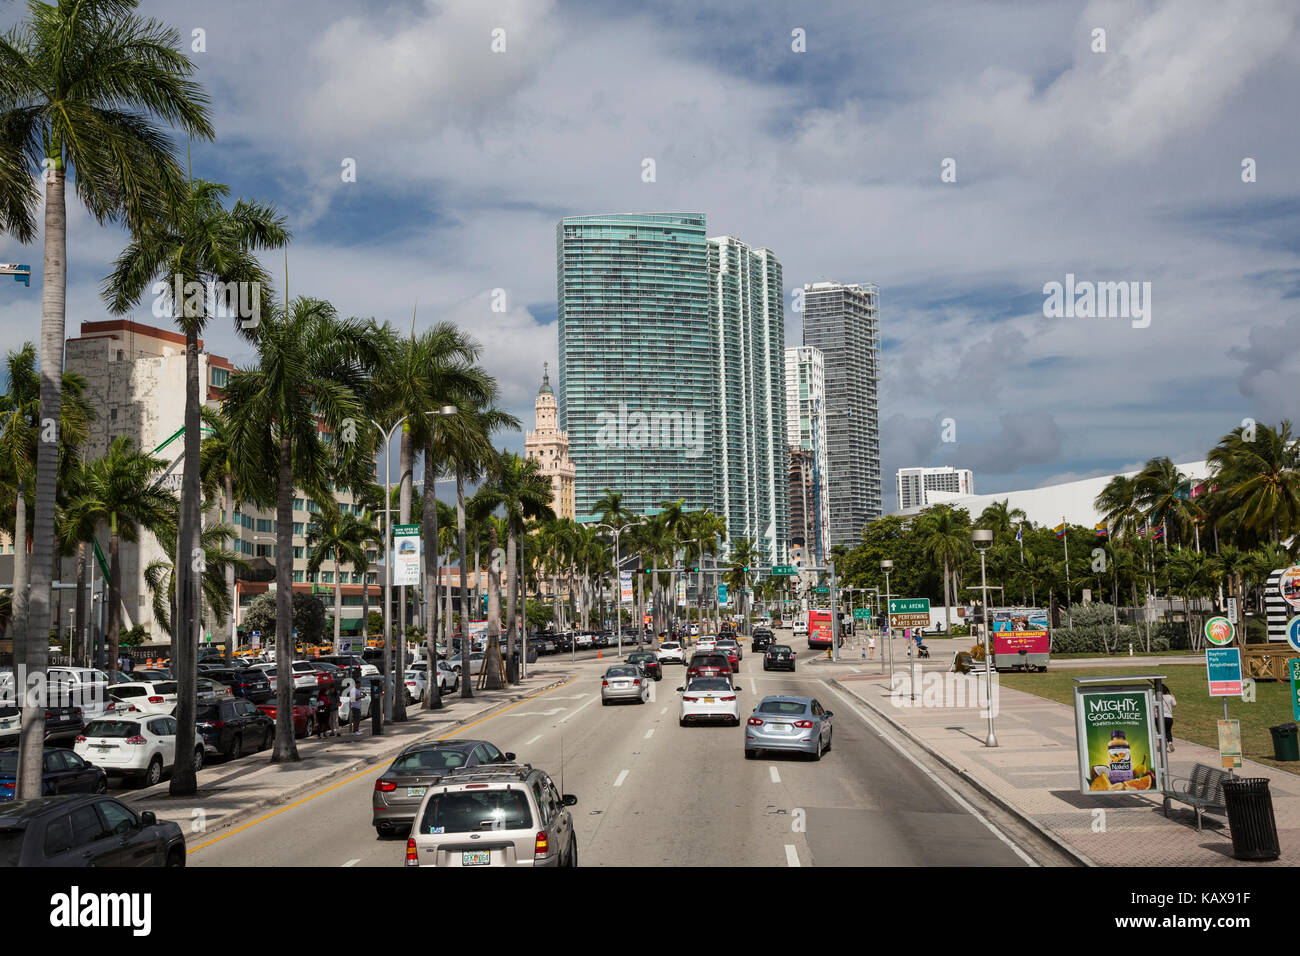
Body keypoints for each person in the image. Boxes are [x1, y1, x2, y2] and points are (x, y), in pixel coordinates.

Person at [1160, 683, 1177, 752]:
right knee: (1168, 731)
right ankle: (1170, 742)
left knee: (1161, 732)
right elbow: (1175, 704)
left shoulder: (1155, 696)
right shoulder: (1170, 697)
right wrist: (1174, 697)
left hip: (1159, 717)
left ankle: (1164, 745)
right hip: (1169, 717)